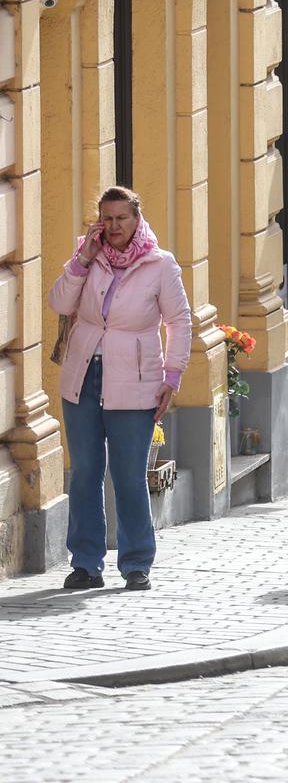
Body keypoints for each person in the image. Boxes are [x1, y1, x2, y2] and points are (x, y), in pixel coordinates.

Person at [50, 186, 192, 592]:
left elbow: (180, 322)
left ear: (137, 219)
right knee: (85, 471)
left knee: (129, 474)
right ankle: (86, 564)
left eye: (121, 218)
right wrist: (82, 260)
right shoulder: (88, 255)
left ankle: (135, 564)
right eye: (106, 218)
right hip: (83, 376)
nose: (113, 227)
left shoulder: (160, 264)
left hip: (136, 380)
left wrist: (172, 376)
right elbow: (59, 303)